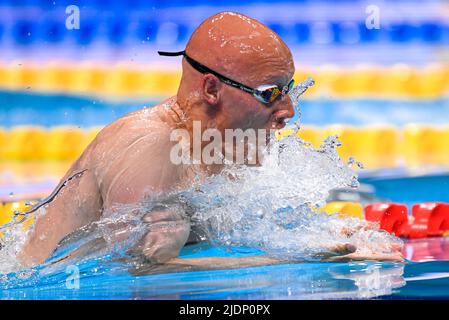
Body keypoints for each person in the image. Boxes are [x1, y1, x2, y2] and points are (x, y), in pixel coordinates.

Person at [16, 12, 403, 268]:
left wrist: (319, 233)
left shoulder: (225, 142)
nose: (287, 110)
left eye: (288, 90)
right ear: (212, 89)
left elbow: (228, 229)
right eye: (270, 93)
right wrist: (295, 260)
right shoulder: (151, 147)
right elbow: (142, 274)